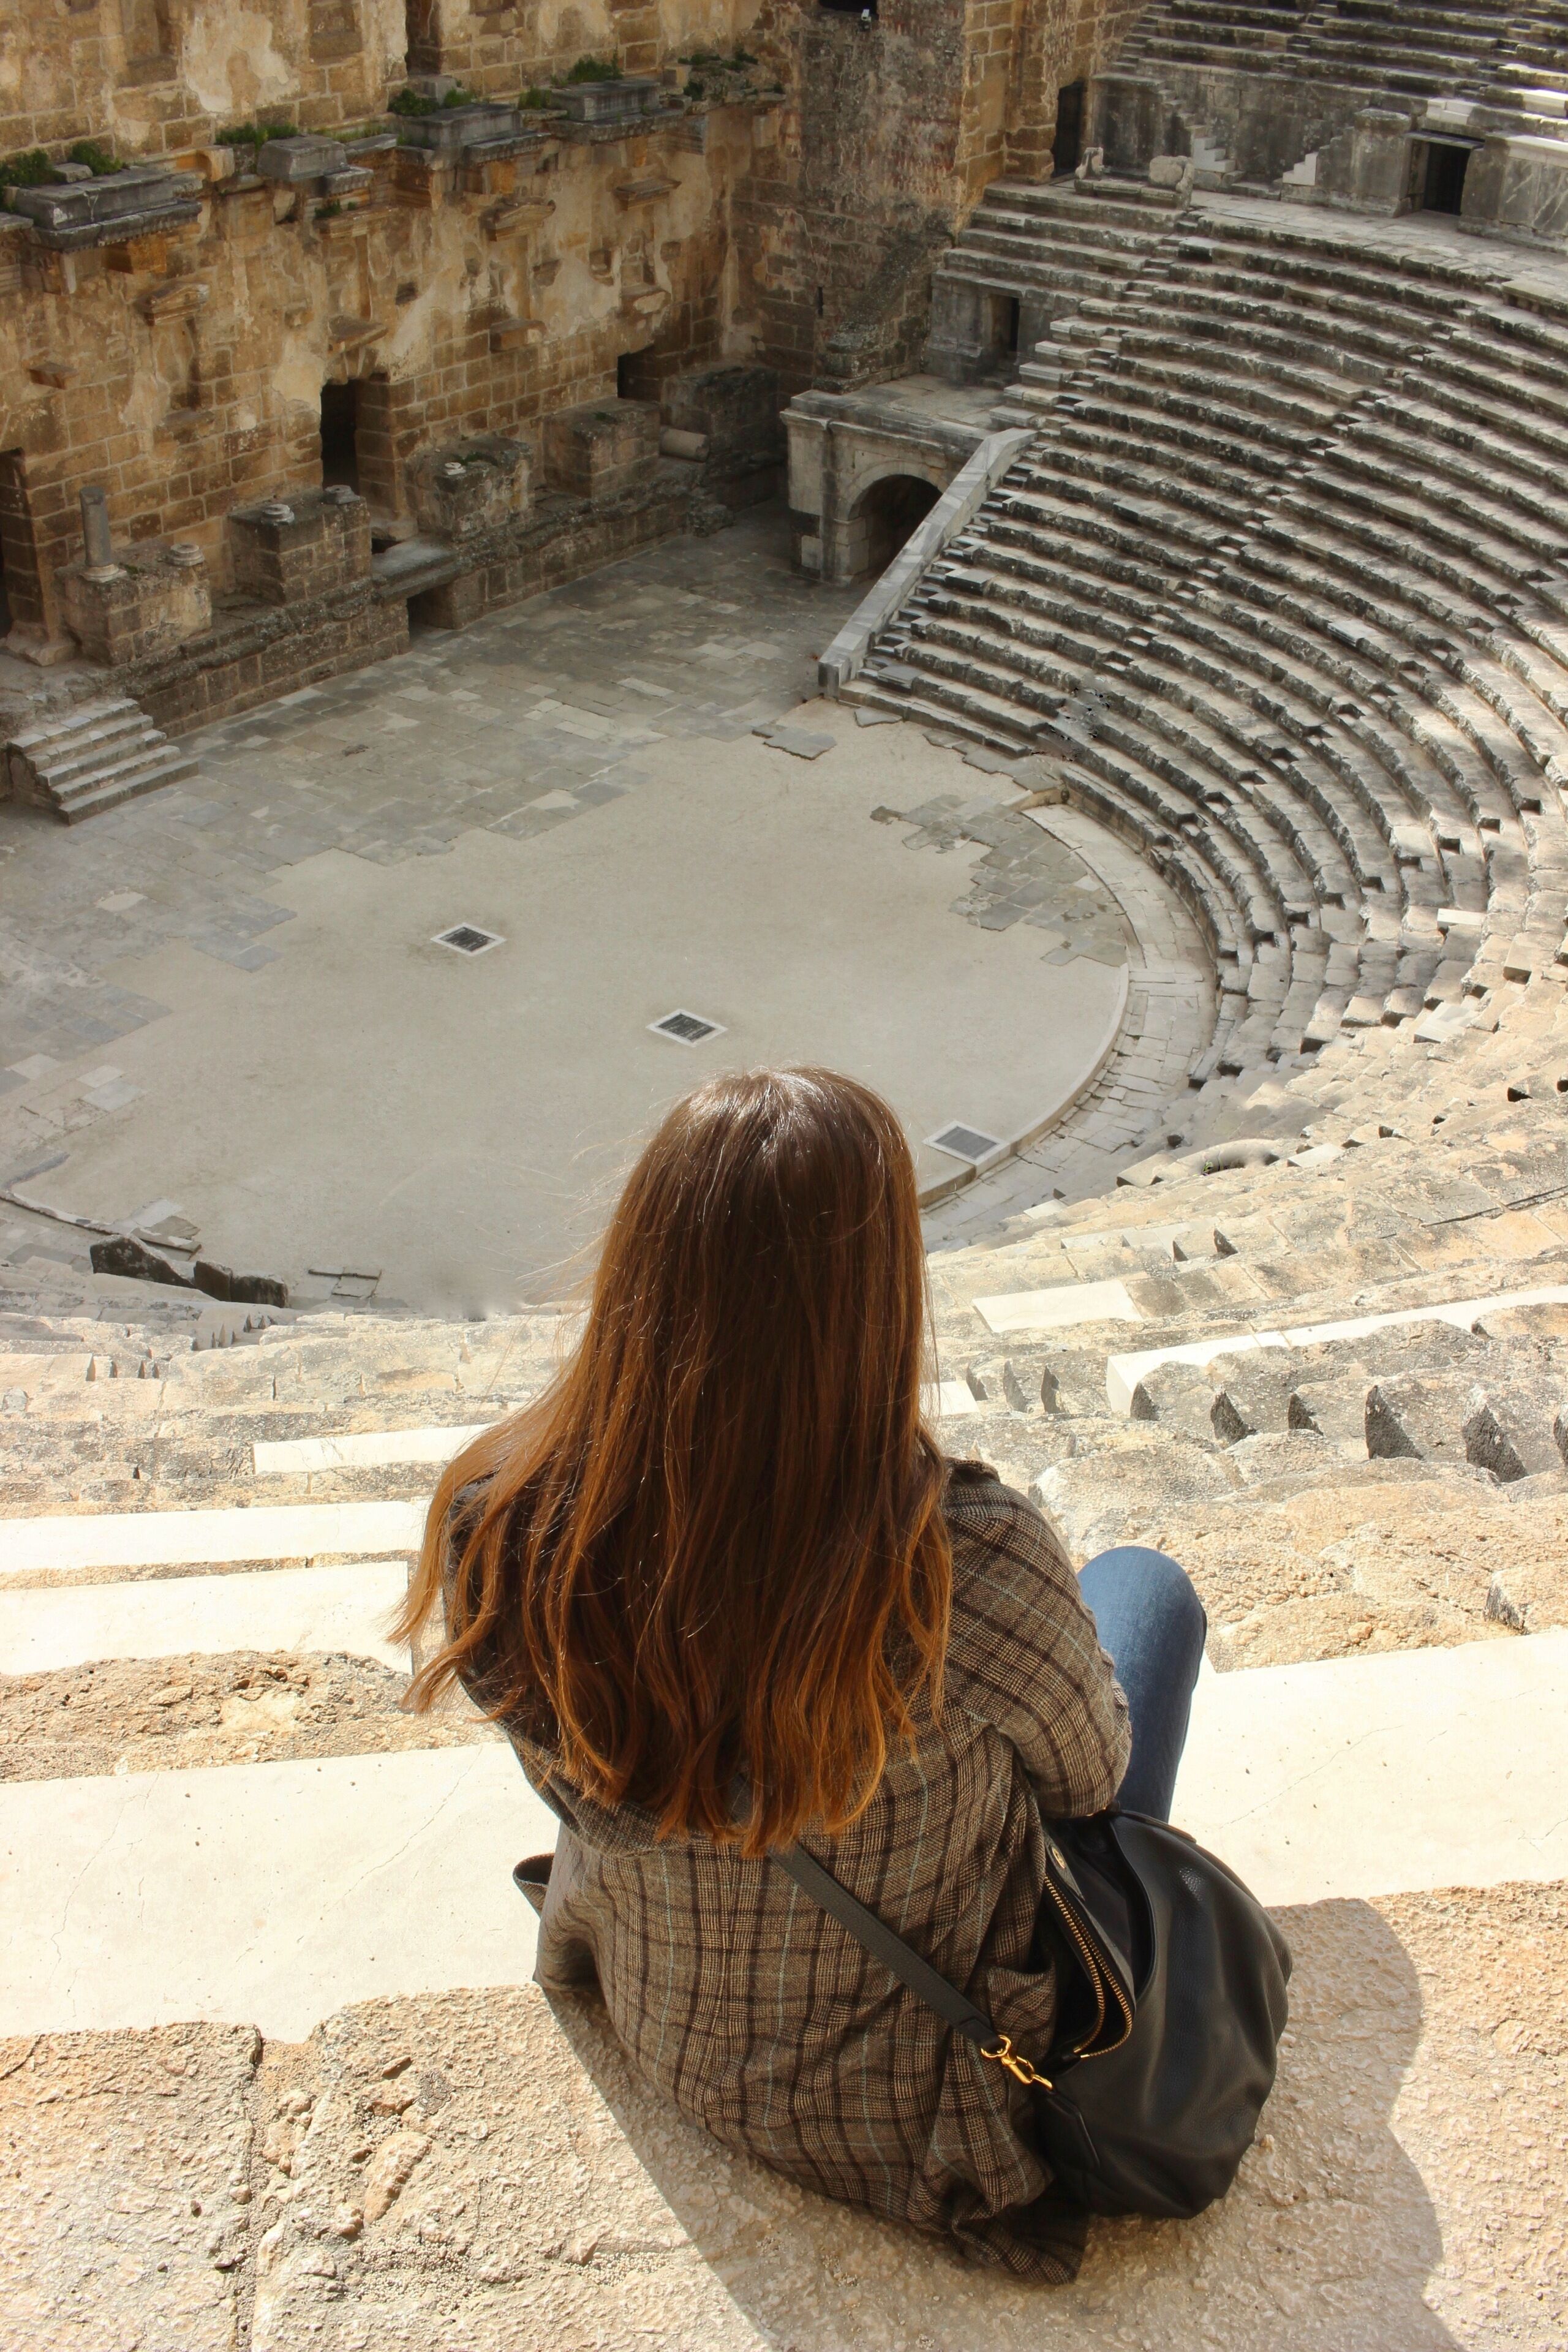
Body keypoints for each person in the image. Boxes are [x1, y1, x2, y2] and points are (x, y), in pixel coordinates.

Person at [396, 1068, 1206, 2281]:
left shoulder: (494, 1518)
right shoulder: (960, 1560)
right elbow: (1085, 1784)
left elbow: (569, 1789)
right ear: (877, 1292)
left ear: (642, 1263)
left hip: (668, 2019)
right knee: (1145, 1589)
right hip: (923, 2096)